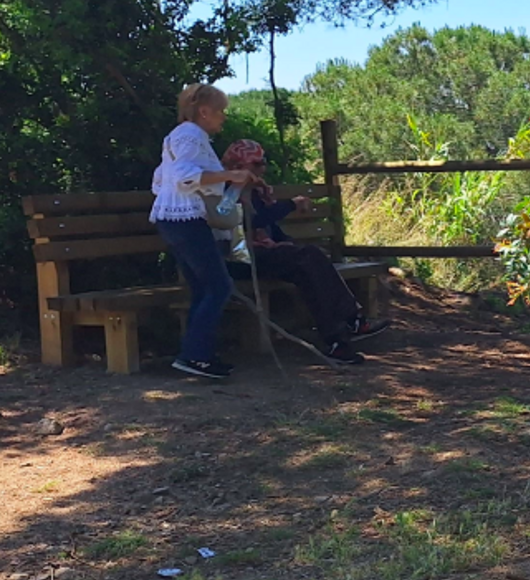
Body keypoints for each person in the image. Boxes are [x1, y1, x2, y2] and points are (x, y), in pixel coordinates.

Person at [218, 138, 392, 366]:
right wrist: (290, 205)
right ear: (238, 166)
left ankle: (338, 343)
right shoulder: (228, 192)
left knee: (308, 266)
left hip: (264, 255)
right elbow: (248, 221)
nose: (263, 169)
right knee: (309, 258)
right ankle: (352, 321)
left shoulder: (258, 193)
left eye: (263, 163)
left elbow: (272, 230)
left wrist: (285, 243)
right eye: (256, 164)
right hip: (239, 259)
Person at [150, 85, 250, 379]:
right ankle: (195, 355)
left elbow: (161, 180)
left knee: (203, 288)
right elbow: (183, 177)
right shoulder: (191, 135)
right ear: (204, 111)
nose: (223, 118)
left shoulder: (178, 137)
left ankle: (197, 355)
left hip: (172, 218)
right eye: (220, 111)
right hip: (185, 220)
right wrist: (230, 174)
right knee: (219, 286)